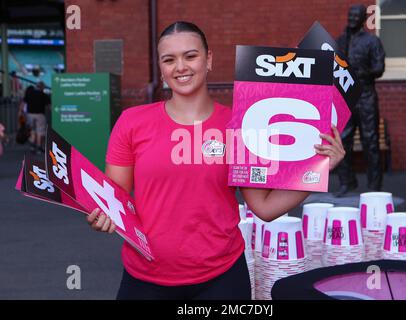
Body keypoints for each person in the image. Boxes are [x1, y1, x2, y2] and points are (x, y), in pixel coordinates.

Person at [87, 21, 345, 300]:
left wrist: (318, 168)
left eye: (190, 56)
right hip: (145, 279)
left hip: (221, 281)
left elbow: (265, 207)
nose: (180, 67)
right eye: (169, 59)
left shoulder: (240, 127)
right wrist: (102, 213)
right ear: (161, 68)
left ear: (208, 59)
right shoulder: (132, 123)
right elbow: (115, 198)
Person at [334, 4, 386, 197]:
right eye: (350, 16)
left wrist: (365, 72)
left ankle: (374, 186)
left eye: (356, 16)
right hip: (346, 98)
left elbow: (379, 68)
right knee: (342, 141)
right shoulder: (339, 41)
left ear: (363, 19)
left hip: (365, 96)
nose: (352, 19)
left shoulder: (372, 42)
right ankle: (347, 182)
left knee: (370, 141)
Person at [19, 82, 50, 154]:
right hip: (40, 114)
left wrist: (20, 111)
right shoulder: (44, 95)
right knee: (40, 131)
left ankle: (32, 146)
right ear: (42, 87)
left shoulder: (30, 93)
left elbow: (23, 103)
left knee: (32, 130)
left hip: (30, 114)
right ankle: (39, 147)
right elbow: (49, 106)